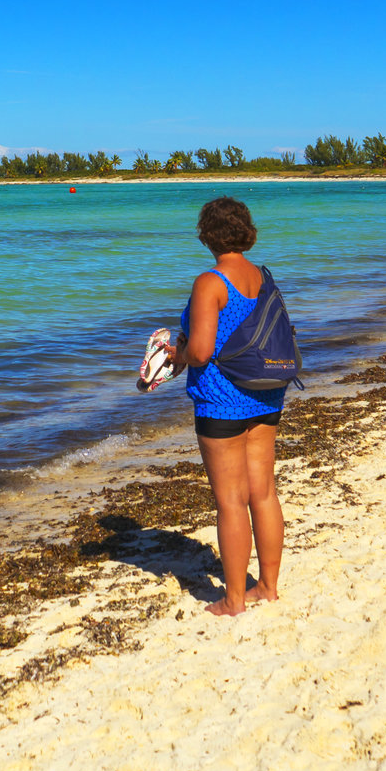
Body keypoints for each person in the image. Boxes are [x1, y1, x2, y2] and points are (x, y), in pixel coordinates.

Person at [163, 197, 285, 617]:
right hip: (266, 393)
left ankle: (234, 600)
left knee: (231, 501)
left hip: (222, 400)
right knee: (264, 494)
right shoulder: (260, 277)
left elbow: (199, 350)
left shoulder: (210, 282)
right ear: (245, 229)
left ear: (207, 234)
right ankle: (267, 587)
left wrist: (176, 358)